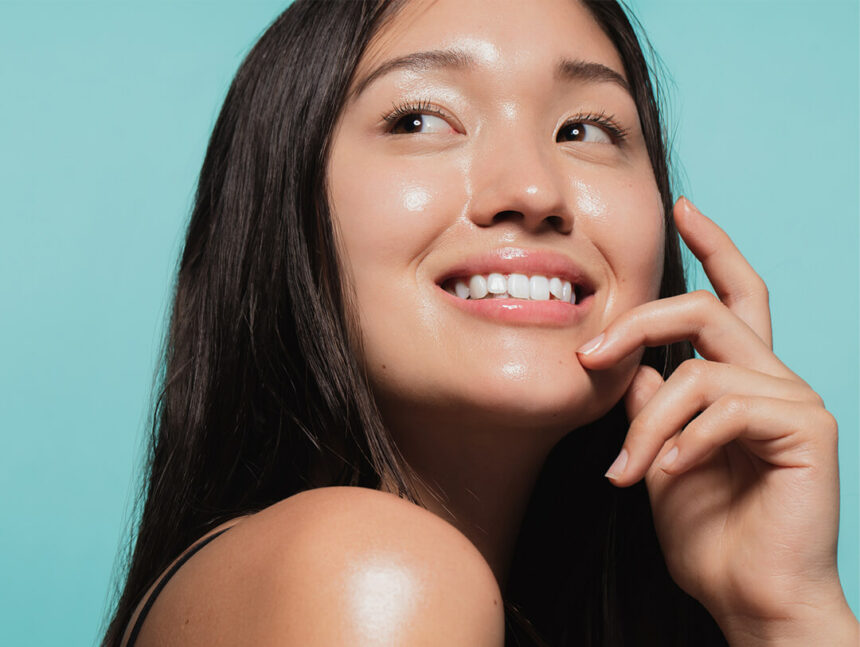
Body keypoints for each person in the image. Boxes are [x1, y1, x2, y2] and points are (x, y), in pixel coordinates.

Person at [101, 0, 859, 645]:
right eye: (422, 117)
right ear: (281, 204)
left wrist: (783, 613)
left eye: (584, 130)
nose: (533, 188)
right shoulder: (372, 577)